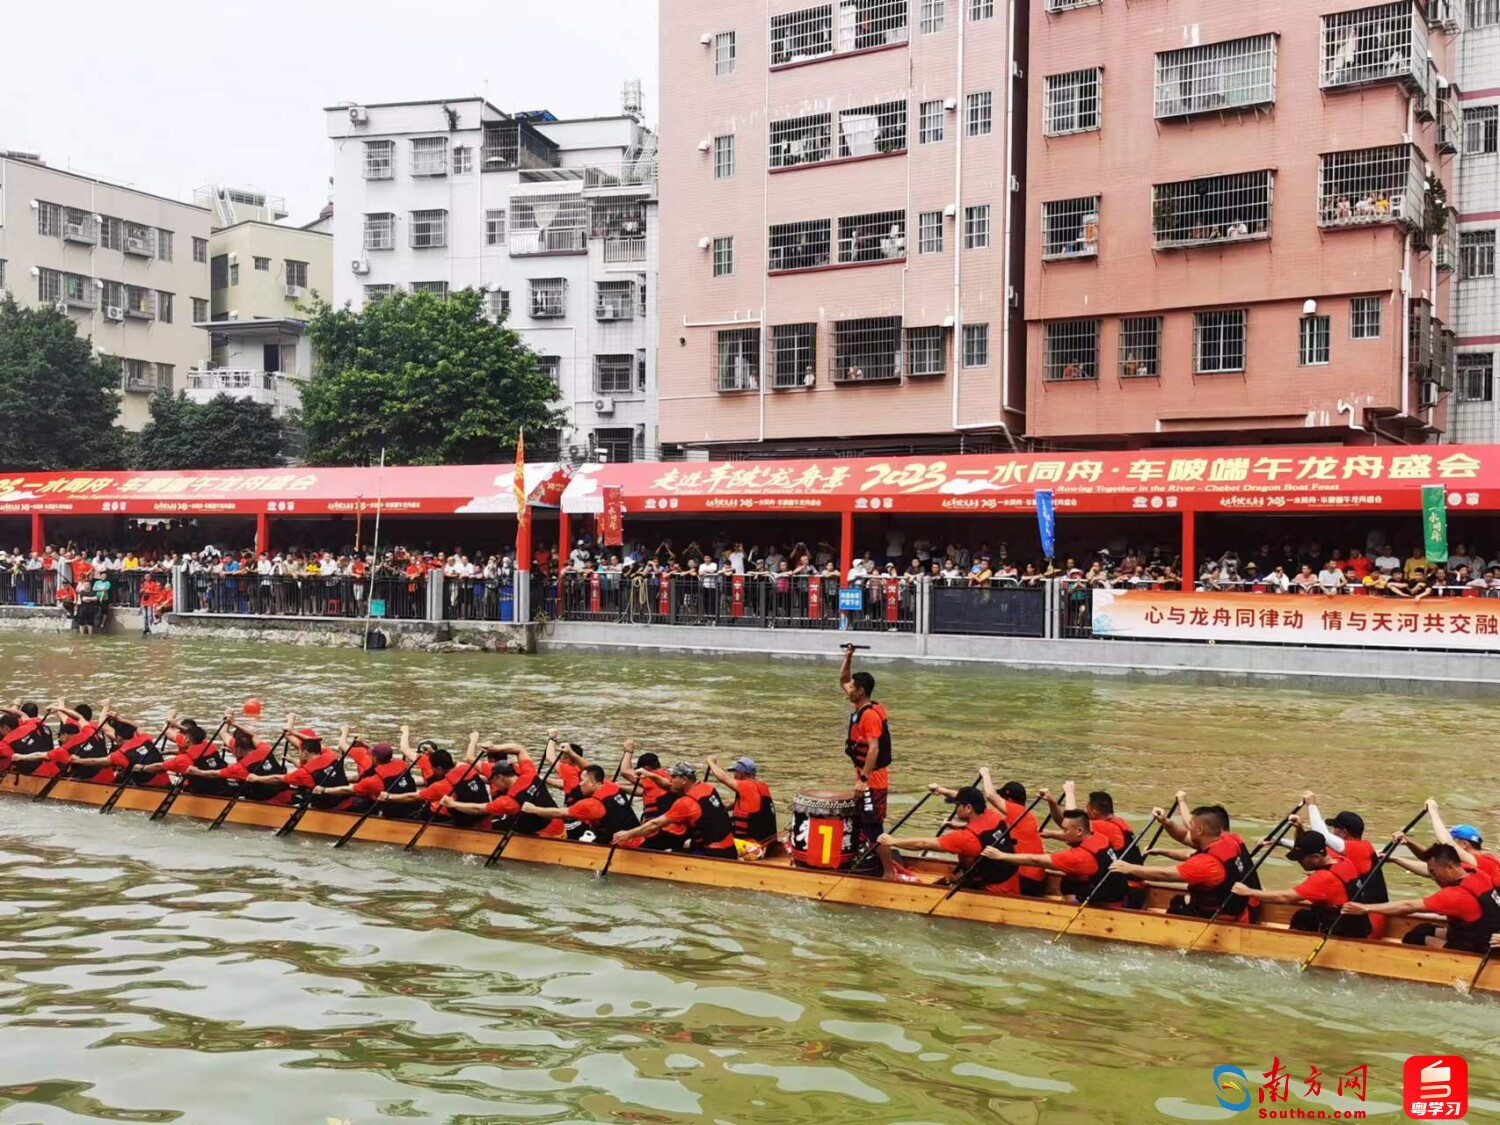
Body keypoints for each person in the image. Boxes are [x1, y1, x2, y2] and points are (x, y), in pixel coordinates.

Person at [1108, 794, 1259, 921]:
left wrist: (1129, 868)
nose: (1187, 827)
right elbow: (1183, 835)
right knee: (1179, 900)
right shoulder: (1229, 840)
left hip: (1219, 918)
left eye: (1190, 825)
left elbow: (1164, 874)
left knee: (1176, 907)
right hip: (1237, 909)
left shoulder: (1205, 863)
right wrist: (1166, 822)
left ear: (1199, 829)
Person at [1343, 843, 1500, 952]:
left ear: (1450, 866)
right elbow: (1426, 868)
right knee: (1424, 928)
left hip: (1475, 948)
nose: (1432, 876)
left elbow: (1407, 906)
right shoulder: (1475, 872)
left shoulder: (1456, 896)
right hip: (1482, 935)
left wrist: (1365, 908)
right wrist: (1397, 859)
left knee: (1417, 937)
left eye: (1433, 872)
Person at [1234, 830, 1370, 937]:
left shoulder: (1323, 878)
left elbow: (1285, 897)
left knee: (1302, 919)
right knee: (1303, 916)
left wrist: (1249, 892)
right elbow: (1307, 842)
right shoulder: (1340, 859)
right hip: (1359, 924)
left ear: (1317, 857)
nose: (1299, 862)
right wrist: (1298, 827)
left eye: (1301, 859)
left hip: (1343, 931)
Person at [876, 786, 1014, 891]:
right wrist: (942, 790)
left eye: (956, 805)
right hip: (1007, 876)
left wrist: (893, 841)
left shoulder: (965, 838)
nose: (955, 809)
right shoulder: (993, 815)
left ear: (968, 808)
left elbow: (923, 843)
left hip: (992, 888)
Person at [994, 808, 1126, 904]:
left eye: (1065, 830)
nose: (1063, 833)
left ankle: (1069, 905)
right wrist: (1051, 834)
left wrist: (1001, 855)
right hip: (1117, 892)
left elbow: (1035, 860)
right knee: (1073, 879)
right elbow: (1075, 839)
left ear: (1079, 831)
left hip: (1105, 903)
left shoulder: (1078, 857)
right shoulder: (1100, 837)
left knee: (1071, 882)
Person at [609, 762, 738, 858]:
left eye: (673, 777)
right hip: (729, 847)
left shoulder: (686, 803)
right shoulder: (707, 788)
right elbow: (668, 786)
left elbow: (655, 824)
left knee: (664, 853)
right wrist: (651, 775)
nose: (670, 779)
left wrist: (627, 834)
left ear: (684, 780)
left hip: (712, 853)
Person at [441, 740, 567, 837]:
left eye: (493, 780)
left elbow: (478, 809)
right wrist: (494, 748)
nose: (492, 783)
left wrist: (452, 803)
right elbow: (520, 749)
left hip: (547, 834)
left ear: (500, 777)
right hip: (560, 825)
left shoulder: (510, 802)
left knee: (491, 828)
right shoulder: (529, 773)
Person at [521, 762, 641, 844]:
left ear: (593, 782)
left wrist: (533, 809)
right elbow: (594, 770)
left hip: (623, 846)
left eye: (582, 781)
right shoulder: (612, 786)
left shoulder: (592, 804)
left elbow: (560, 813)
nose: (579, 784)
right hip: (639, 838)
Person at [840, 645, 892, 826]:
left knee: (873, 823)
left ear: (861, 691)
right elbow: (843, 679)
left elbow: (874, 748)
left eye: (853, 687)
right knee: (862, 820)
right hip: (863, 773)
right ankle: (867, 851)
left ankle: (882, 854)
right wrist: (848, 657)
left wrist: (863, 779)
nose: (849, 689)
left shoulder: (869, 715)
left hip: (873, 777)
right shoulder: (860, 706)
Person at [1041, 781, 1133, 854]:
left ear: (1094, 812)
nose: (1085, 812)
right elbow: (1072, 831)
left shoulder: (1106, 827)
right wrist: (1051, 802)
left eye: (1087, 810)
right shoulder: (1119, 822)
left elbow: (1072, 820)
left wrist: (1069, 793)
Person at [707, 754, 778, 845]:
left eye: (735, 772)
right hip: (767, 843)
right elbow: (746, 804)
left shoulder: (746, 786)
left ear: (740, 774)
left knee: (707, 841)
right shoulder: (761, 786)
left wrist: (711, 762)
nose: (734, 775)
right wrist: (723, 808)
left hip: (752, 847)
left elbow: (722, 778)